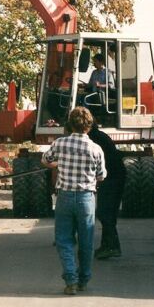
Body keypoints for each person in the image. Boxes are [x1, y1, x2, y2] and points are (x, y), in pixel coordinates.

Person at [42, 106, 106, 295]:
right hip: (86, 198)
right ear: (89, 126)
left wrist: (57, 164)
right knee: (86, 242)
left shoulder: (60, 144)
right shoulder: (96, 149)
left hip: (65, 197)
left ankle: (71, 281)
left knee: (64, 240)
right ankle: (84, 280)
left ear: (70, 124)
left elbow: (45, 160)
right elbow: (101, 176)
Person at [88, 123, 126, 259]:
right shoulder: (99, 136)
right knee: (107, 213)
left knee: (105, 212)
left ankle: (112, 247)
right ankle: (108, 245)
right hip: (114, 176)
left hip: (112, 177)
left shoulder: (93, 139)